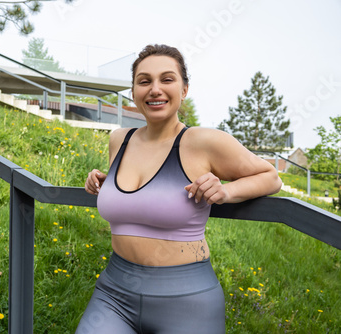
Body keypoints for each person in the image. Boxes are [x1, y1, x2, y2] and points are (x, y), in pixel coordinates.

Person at [76, 44, 282, 334]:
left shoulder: (204, 141)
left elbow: (271, 177)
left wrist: (226, 192)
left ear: (184, 89)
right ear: (134, 91)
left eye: (167, 79)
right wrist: (103, 180)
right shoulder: (118, 140)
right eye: (144, 81)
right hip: (113, 295)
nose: (155, 89)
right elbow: (137, 193)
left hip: (187, 301)